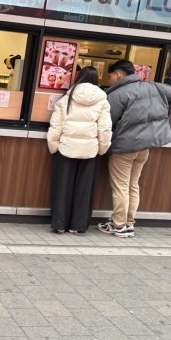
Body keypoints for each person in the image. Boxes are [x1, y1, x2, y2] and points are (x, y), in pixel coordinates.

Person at [97, 59, 171, 238]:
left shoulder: (118, 94)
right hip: (145, 147)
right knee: (133, 186)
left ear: (118, 74)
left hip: (124, 147)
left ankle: (119, 225)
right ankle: (129, 224)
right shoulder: (152, 87)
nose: (110, 80)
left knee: (121, 186)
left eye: (110, 76)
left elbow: (107, 122)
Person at [47, 66, 112, 234]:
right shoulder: (102, 101)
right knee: (84, 189)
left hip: (66, 149)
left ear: (79, 77)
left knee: (62, 187)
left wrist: (54, 146)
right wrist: (102, 148)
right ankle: (78, 225)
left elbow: (56, 126)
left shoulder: (66, 98)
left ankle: (59, 224)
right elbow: (105, 128)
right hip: (90, 151)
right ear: (96, 79)